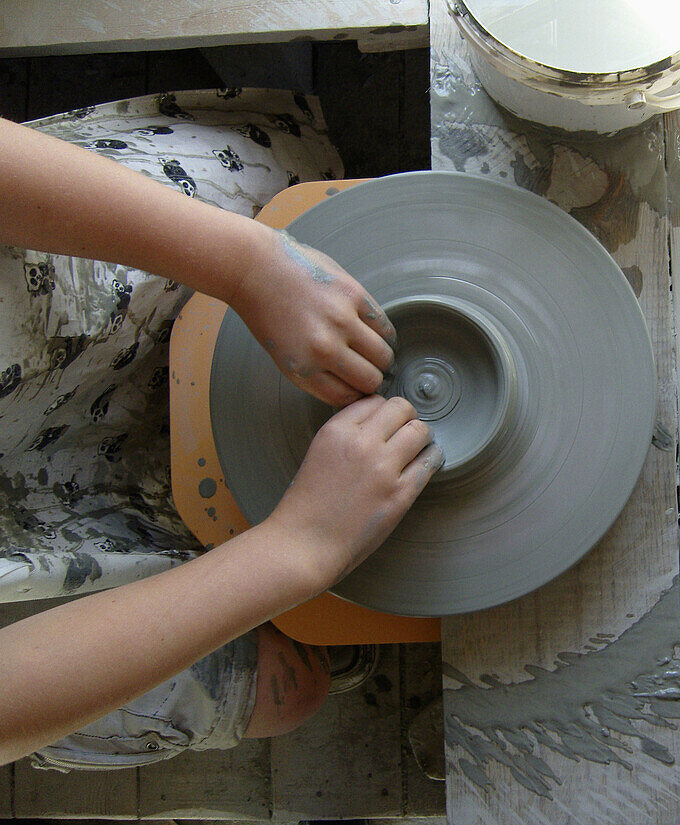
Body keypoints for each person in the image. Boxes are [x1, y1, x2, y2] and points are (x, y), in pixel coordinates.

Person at [0, 114, 443, 767]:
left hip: (27, 349)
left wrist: (248, 263)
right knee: (287, 692)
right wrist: (298, 549)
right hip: (24, 580)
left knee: (283, 175)